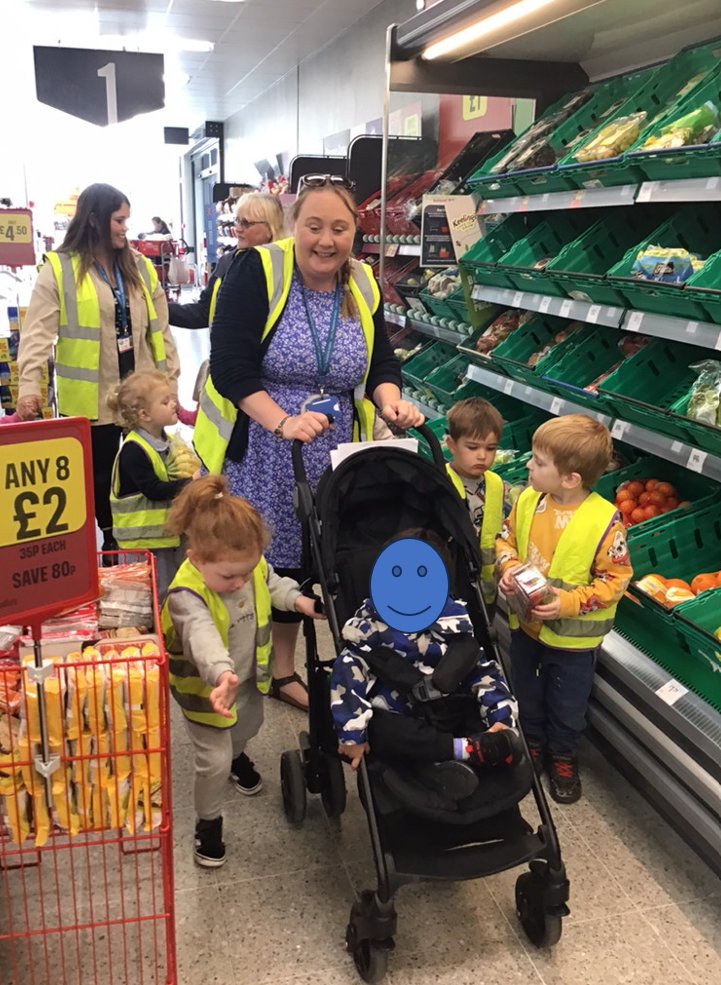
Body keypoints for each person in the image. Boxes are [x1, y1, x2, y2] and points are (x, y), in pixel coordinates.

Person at [197, 174, 424, 711]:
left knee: (318, 558)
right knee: (266, 562)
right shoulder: (259, 270)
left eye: (339, 229)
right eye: (314, 226)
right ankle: (250, 672)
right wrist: (282, 422)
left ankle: (312, 667)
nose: (326, 240)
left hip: (337, 448)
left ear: (355, 234)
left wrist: (390, 399)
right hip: (264, 445)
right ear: (293, 226)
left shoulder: (362, 282)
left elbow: (379, 362)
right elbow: (231, 365)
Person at [160, 475, 323, 868]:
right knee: (211, 761)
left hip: (250, 677)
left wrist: (297, 599)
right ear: (195, 558)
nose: (239, 584)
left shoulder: (248, 566)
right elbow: (201, 637)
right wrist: (221, 675)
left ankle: (238, 755)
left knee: (249, 723)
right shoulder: (186, 595)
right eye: (229, 577)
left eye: (245, 573)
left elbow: (272, 582)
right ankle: (208, 823)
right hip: (208, 693)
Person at [16, 182, 180, 556]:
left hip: (141, 395)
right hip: (91, 402)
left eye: (127, 219)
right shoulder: (59, 269)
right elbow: (37, 334)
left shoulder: (139, 267)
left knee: (146, 468)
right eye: (119, 220)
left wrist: (169, 381)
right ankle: (111, 541)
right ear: (93, 219)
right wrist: (29, 388)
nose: (125, 227)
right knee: (101, 478)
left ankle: (144, 541)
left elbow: (160, 329)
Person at [496, 414, 633, 805]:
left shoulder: (604, 521)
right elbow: (505, 540)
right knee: (527, 690)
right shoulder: (527, 500)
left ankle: (563, 755)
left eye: (538, 463)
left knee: (569, 703)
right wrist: (507, 568)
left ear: (570, 479)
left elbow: (616, 579)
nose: (528, 466)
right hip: (526, 627)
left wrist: (569, 603)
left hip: (573, 642)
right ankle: (533, 743)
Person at [330, 530, 521, 801]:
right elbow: (347, 678)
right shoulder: (370, 632)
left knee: (475, 707)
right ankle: (462, 753)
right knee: (381, 730)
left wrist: (501, 720)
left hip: (447, 710)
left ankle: (472, 752)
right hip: (399, 717)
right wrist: (352, 736)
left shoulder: (453, 628)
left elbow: (483, 673)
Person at [107, 370, 196, 597]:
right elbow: (153, 490)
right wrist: (190, 483)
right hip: (143, 546)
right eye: (165, 401)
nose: (173, 404)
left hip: (166, 539)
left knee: (173, 591)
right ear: (145, 414)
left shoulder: (165, 441)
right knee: (151, 595)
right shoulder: (134, 450)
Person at [168, 192, 285, 329]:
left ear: (270, 228)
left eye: (246, 223)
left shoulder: (288, 265)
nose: (238, 229)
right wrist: (159, 309)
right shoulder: (227, 262)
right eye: (237, 221)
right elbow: (204, 312)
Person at [443, 397, 518, 610]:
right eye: (473, 447)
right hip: (453, 585)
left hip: (487, 588)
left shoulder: (496, 484)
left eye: (491, 448)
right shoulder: (442, 482)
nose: (482, 456)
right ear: (451, 445)